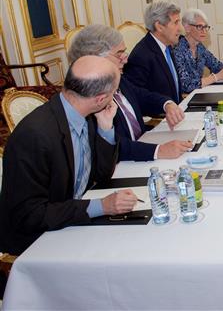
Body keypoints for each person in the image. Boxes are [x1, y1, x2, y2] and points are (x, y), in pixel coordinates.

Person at [0, 56, 138, 256]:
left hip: (70, 219)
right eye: (114, 93)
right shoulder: (35, 136)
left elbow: (102, 175)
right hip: (36, 240)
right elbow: (28, 215)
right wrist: (101, 206)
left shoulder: (86, 114)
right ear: (100, 98)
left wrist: (106, 128)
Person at [68, 24, 192, 162]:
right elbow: (111, 144)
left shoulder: (119, 80)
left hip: (141, 151)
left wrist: (166, 104)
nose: (125, 59)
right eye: (119, 54)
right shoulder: (88, 97)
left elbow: (141, 95)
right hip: (122, 165)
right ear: (95, 58)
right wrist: (158, 150)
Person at [123, 1, 183, 103]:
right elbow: (135, 94)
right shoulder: (142, 55)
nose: (180, 28)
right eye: (176, 22)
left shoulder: (167, 47)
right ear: (159, 26)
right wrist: (165, 104)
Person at [174, 8, 223, 94]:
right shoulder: (178, 49)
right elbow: (186, 85)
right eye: (199, 27)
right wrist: (215, 77)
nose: (204, 31)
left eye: (206, 27)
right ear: (187, 28)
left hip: (199, 94)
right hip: (183, 99)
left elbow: (217, 66)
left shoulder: (200, 47)